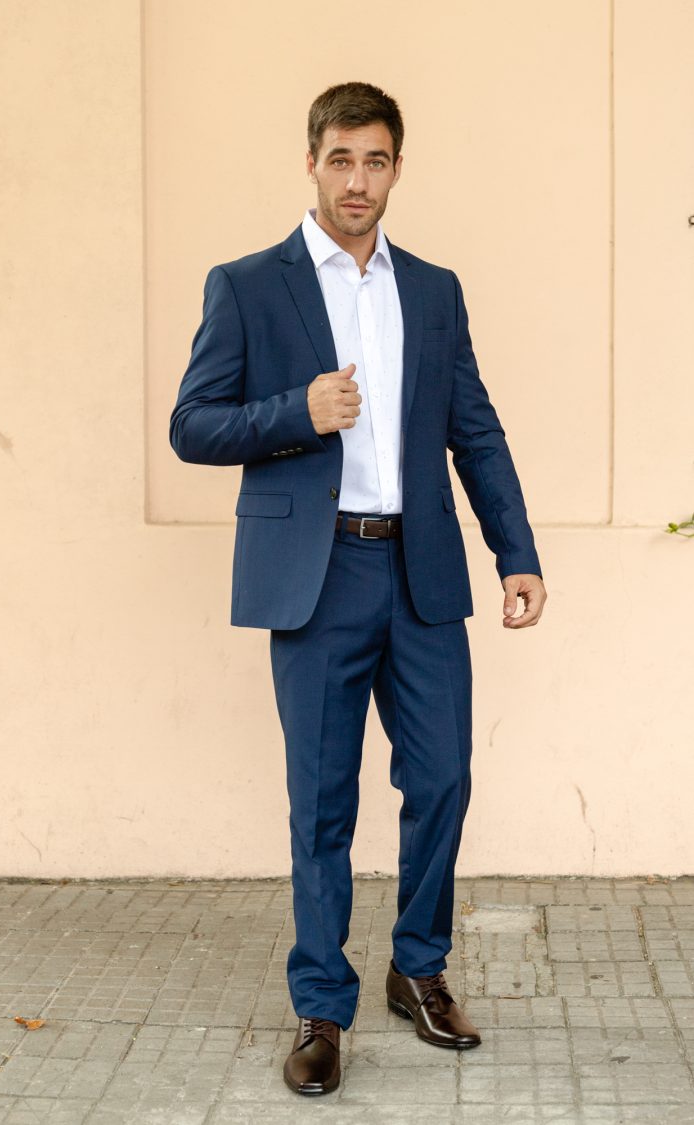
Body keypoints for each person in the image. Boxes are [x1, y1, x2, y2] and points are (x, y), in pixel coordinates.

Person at [169, 80, 547, 1097]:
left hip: (421, 570)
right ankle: (320, 1007)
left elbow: (475, 429)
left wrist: (515, 552)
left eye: (375, 161)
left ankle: (417, 967)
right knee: (322, 801)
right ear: (312, 163)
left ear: (396, 170)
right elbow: (192, 425)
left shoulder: (434, 290)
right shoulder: (249, 285)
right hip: (318, 575)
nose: (357, 180)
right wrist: (297, 410)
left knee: (444, 776)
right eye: (341, 159)